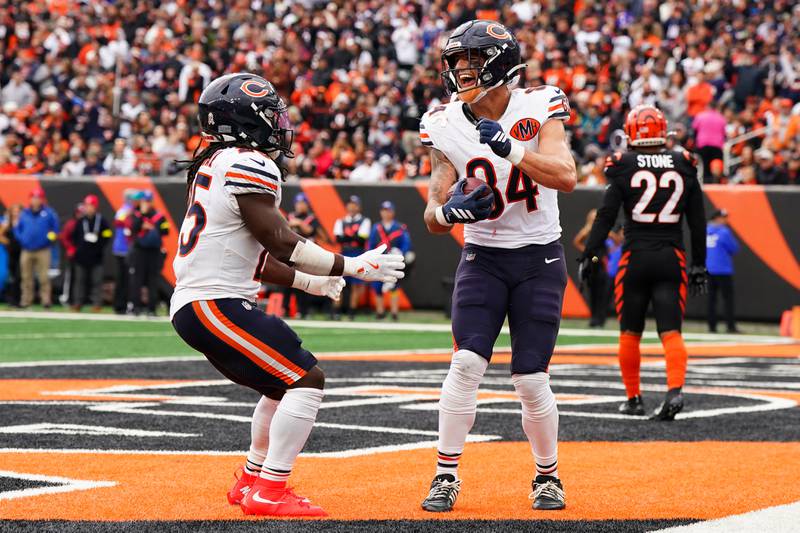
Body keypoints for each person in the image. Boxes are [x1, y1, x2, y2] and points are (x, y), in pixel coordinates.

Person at [169, 73, 404, 517]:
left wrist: (312, 282)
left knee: (280, 386)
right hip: (213, 303)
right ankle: (270, 491)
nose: (279, 125)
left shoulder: (215, 164)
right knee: (305, 379)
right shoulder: (246, 163)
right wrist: (351, 265)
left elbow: (248, 256)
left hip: (207, 302)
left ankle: (252, 480)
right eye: (270, 116)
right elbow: (281, 241)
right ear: (245, 121)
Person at [419, 21, 577, 512]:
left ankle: (547, 476)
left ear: (502, 63)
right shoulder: (443, 123)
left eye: (472, 60)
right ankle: (445, 474)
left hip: (539, 255)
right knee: (465, 364)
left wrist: (511, 148)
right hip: (483, 256)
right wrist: (449, 213)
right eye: (456, 62)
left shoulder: (539, 105)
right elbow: (432, 213)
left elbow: (567, 176)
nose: (460, 70)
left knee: (530, 378)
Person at [579, 104, 708, 421]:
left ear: (632, 133)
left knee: (629, 332)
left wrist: (589, 253)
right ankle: (674, 391)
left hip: (635, 257)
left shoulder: (623, 164)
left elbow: (606, 215)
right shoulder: (684, 162)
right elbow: (698, 222)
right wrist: (699, 265)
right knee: (671, 332)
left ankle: (634, 397)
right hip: (671, 256)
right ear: (663, 132)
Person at [14, 188, 60, 308]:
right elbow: (17, 228)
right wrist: (22, 239)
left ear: (42, 199)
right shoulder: (24, 213)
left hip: (43, 250)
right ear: (30, 199)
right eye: (34, 197)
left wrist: (48, 239)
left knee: (44, 277)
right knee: (26, 277)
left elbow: (54, 230)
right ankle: (26, 300)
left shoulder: (49, 213)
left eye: (38, 198)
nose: (36, 200)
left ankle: (45, 301)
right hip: (26, 249)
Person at [369, 201, 412, 321]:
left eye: (388, 211)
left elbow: (406, 243)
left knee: (394, 285)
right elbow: (371, 244)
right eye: (384, 210)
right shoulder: (376, 227)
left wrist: (400, 253)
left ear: (393, 212)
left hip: (394, 260)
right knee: (377, 285)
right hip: (380, 259)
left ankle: (394, 312)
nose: (386, 213)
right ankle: (380, 311)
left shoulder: (399, 227)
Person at [283, 193, 324, 318]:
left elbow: (310, 231)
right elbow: (284, 228)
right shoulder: (290, 216)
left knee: (304, 282)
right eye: (298, 203)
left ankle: (304, 310)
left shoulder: (312, 218)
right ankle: (285, 308)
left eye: (303, 203)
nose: (300, 206)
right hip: (292, 253)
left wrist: (299, 223)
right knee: (287, 282)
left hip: (307, 255)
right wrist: (293, 223)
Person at [128, 190, 169, 316]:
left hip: (154, 252)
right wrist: (141, 221)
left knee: (153, 280)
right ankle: (136, 308)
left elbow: (165, 230)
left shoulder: (158, 216)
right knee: (137, 280)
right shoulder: (135, 215)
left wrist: (153, 227)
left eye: (148, 201)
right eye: (144, 201)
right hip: (139, 251)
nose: (146, 204)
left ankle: (151, 308)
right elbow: (131, 229)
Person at [332, 195, 371, 320]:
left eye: (355, 204)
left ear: (359, 207)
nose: (352, 207)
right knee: (338, 282)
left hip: (357, 253)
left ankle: (352, 311)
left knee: (356, 284)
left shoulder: (364, 221)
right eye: (350, 204)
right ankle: (336, 311)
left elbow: (361, 239)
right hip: (344, 253)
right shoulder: (341, 221)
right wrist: (353, 237)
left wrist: (348, 237)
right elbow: (338, 238)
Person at [72, 194, 112, 311]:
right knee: (79, 281)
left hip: (96, 256)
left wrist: (99, 244)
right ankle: (78, 302)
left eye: (91, 206)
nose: (89, 208)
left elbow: (108, 235)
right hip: (81, 256)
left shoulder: (102, 221)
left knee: (97, 281)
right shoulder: (80, 221)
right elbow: (75, 236)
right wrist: (78, 248)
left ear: (95, 207)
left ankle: (97, 303)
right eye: (87, 205)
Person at [573, 208, 610, 328]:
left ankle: (601, 318)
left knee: (602, 292)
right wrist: (588, 252)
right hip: (592, 264)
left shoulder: (602, 230)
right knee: (593, 291)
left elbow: (615, 239)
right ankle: (594, 318)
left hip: (602, 264)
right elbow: (577, 241)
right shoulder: (587, 230)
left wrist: (606, 255)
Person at [706, 209, 740, 333]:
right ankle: (730, 326)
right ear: (717, 218)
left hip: (708, 269)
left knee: (711, 299)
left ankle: (711, 326)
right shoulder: (724, 232)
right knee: (727, 299)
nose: (725, 220)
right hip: (723, 270)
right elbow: (734, 248)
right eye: (723, 218)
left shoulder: (705, 230)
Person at [112, 189, 139, 314]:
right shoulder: (125, 210)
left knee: (125, 278)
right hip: (124, 249)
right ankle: (120, 305)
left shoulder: (127, 210)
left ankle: (122, 304)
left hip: (124, 248)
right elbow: (120, 222)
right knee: (124, 278)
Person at [59, 203, 84, 307]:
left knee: (80, 278)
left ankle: (78, 299)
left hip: (83, 255)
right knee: (70, 276)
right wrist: (70, 248)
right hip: (72, 254)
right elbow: (64, 237)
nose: (80, 215)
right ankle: (67, 298)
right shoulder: (71, 224)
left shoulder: (86, 223)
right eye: (79, 213)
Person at [1, 204, 22, 306]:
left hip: (22, 251)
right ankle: (11, 299)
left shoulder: (23, 222)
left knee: (20, 276)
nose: (16, 213)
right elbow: (1, 235)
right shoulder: (7, 223)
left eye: (18, 211)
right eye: (14, 211)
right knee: (12, 276)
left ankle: (19, 299)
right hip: (11, 253)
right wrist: (8, 243)